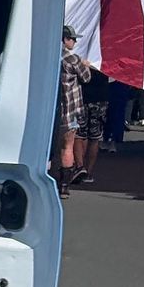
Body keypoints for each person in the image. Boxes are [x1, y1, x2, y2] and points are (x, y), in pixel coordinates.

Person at [55, 26, 89, 188]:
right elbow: (86, 77)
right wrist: (85, 65)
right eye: (72, 39)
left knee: (49, 148)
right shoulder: (72, 59)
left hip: (50, 109)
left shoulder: (50, 57)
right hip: (69, 109)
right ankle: (64, 186)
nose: (74, 42)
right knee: (67, 147)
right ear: (65, 39)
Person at [74, 68, 110, 185]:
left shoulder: (81, 55)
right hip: (101, 97)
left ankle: (80, 167)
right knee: (94, 137)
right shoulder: (104, 58)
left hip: (82, 97)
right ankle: (88, 173)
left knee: (79, 135)